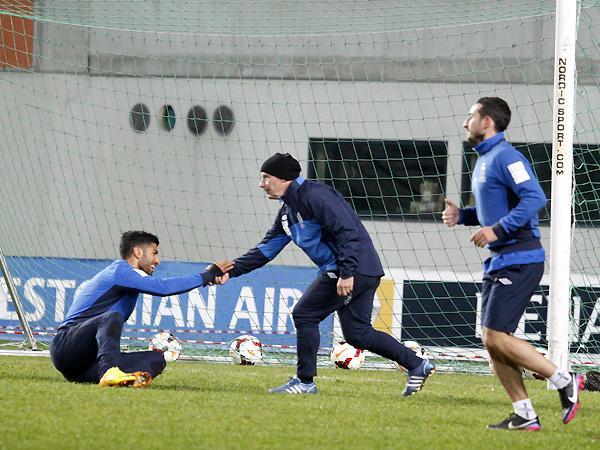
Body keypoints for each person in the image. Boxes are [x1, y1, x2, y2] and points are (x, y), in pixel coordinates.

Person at [225, 152, 435, 395]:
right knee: (358, 334)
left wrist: (346, 272)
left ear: (283, 178)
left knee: (305, 314)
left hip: (352, 269)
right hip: (360, 269)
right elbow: (265, 251)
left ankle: (304, 382)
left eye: (265, 177)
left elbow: (347, 231)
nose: (261, 184)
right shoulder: (287, 212)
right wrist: (229, 271)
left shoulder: (316, 196)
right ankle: (417, 364)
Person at [442, 97, 583, 430]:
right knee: (492, 342)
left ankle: (564, 380)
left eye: (471, 116)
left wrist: (497, 230)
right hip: (500, 260)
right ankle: (524, 414)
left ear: (487, 121)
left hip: (521, 258)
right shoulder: (484, 160)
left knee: (495, 336)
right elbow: (494, 210)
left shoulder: (507, 156)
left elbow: (535, 197)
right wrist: (464, 216)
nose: (465, 122)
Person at [50, 230, 233, 387]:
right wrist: (206, 275)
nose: (157, 260)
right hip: (66, 348)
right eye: (154, 253)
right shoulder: (120, 271)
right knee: (111, 317)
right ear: (138, 252)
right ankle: (109, 372)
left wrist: (208, 277)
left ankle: (123, 380)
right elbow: (163, 287)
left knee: (156, 359)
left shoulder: (130, 276)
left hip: (85, 367)